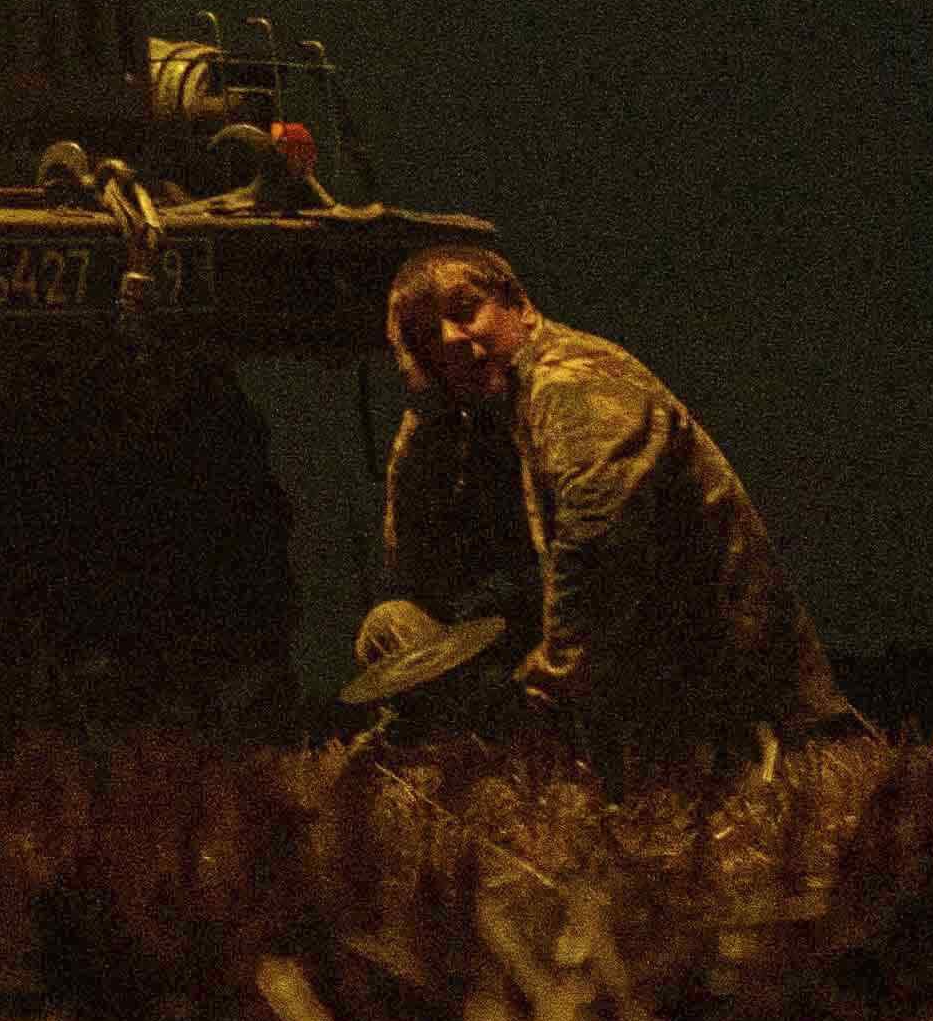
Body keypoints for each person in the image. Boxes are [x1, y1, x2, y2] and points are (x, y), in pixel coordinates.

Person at [338, 232, 861, 777]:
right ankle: (490, 752)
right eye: (427, 335)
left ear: (517, 303)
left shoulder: (570, 380)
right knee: (391, 626)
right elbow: (414, 571)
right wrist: (425, 403)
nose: (449, 339)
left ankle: (565, 757)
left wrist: (548, 687)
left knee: (513, 710)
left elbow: (598, 539)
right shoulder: (503, 405)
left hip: (707, 682)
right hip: (626, 667)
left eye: (466, 311)